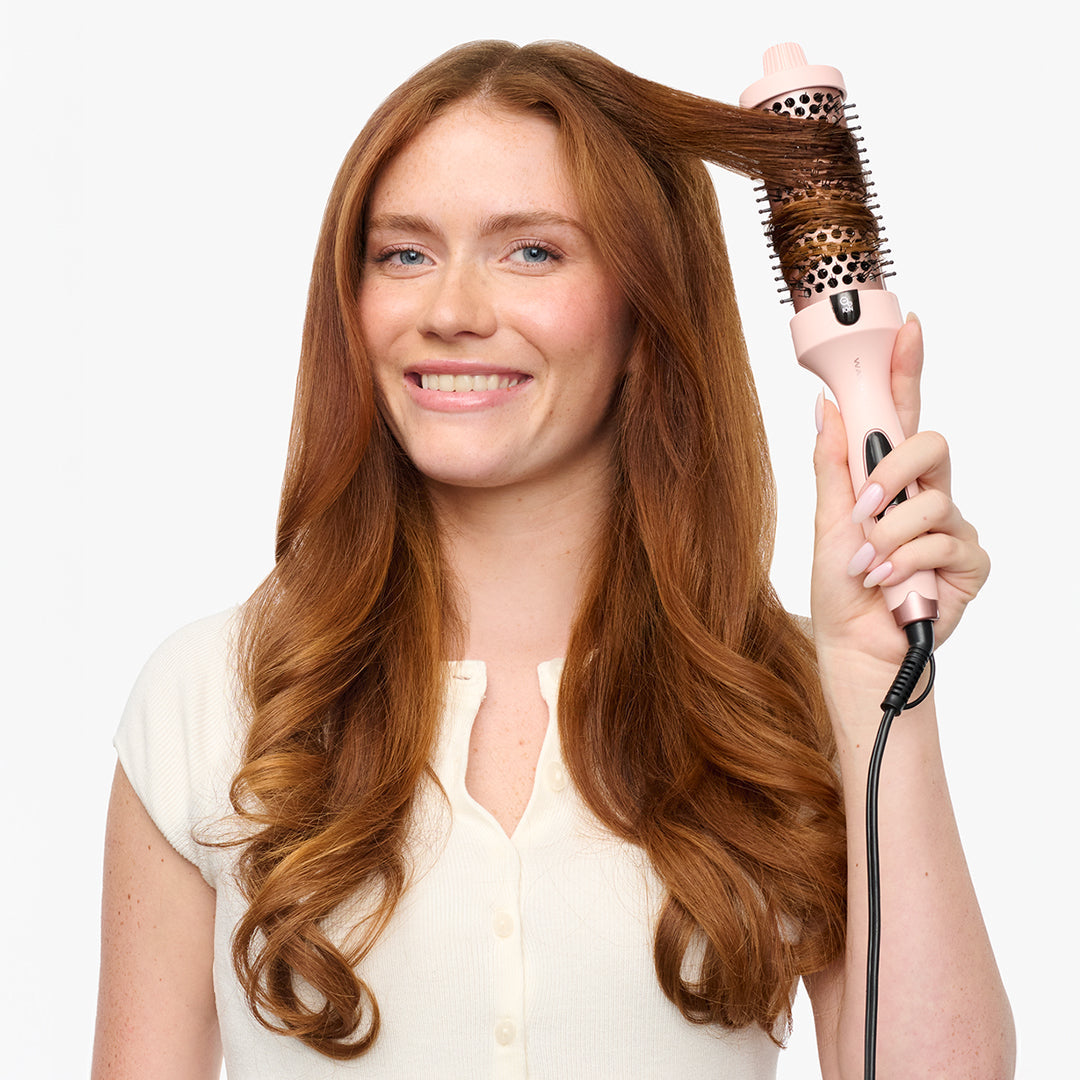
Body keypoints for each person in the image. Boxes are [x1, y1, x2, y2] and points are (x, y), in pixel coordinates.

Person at [92, 40, 1014, 1079]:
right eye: (403, 254)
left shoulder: (788, 702)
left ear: (643, 315)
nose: (451, 309)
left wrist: (878, 676)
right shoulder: (209, 701)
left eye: (531, 252)